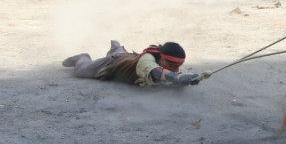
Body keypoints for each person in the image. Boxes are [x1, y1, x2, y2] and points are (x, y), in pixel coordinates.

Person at [62, 41, 205, 86]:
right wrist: (178, 78)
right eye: (173, 65)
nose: (177, 69)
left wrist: (189, 80)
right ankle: (82, 56)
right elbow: (156, 72)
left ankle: (117, 47)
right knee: (81, 71)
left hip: (124, 57)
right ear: (162, 59)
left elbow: (169, 76)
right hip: (111, 64)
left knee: (120, 53)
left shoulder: (162, 63)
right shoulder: (147, 60)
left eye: (178, 66)